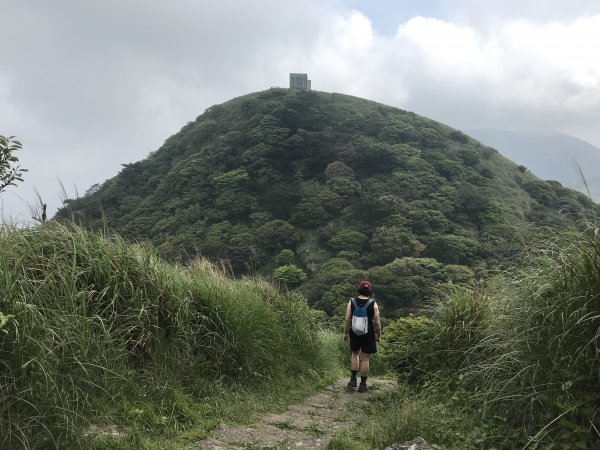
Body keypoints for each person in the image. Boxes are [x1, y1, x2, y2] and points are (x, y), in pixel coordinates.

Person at [343, 280, 381, 393]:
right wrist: (378, 335)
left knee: (354, 354)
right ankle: (363, 385)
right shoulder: (373, 303)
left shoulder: (352, 301)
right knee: (365, 358)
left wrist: (345, 333)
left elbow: (347, 318)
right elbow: (377, 322)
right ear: (369, 291)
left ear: (359, 289)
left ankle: (353, 380)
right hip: (368, 333)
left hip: (354, 331)